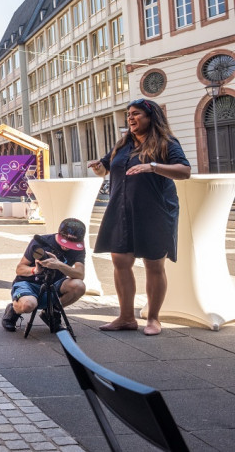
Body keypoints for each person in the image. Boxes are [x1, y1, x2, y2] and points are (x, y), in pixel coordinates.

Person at [88, 99, 190, 336]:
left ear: (151, 117)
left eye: (136, 114)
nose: (130, 118)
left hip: (155, 210)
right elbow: (105, 168)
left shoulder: (166, 143)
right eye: (128, 114)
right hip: (121, 209)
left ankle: (153, 319)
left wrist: (152, 166)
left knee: (154, 264)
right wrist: (98, 167)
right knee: (120, 261)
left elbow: (184, 171)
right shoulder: (123, 144)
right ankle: (126, 318)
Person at [1, 218, 87, 332]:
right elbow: (20, 269)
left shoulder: (78, 248)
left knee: (79, 286)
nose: (68, 247)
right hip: (29, 283)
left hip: (54, 284)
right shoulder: (42, 242)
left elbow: (80, 274)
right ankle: (14, 309)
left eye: (72, 244)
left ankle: (51, 311)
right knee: (28, 305)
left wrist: (59, 265)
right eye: (66, 242)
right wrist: (35, 270)